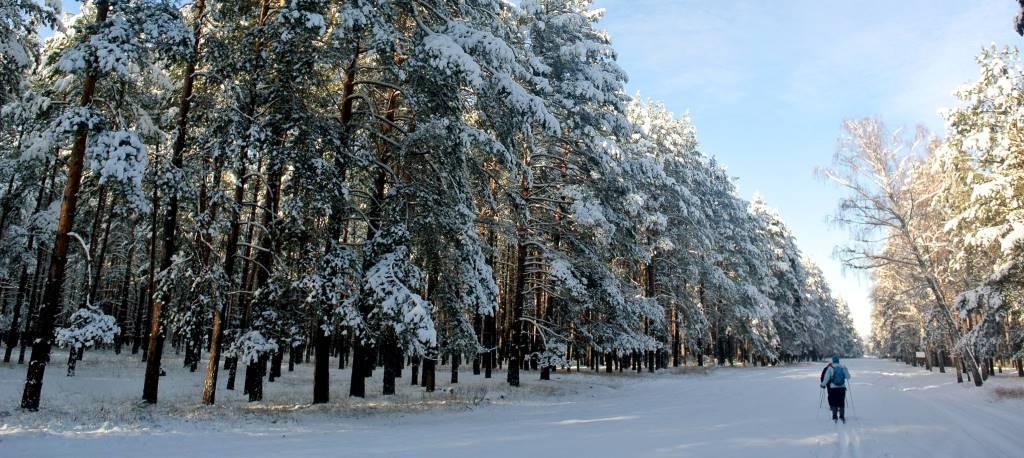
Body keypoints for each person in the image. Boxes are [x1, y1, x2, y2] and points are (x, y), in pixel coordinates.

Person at [820, 355, 850, 423]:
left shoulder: (830, 368)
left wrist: (822, 384)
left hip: (833, 388)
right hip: (842, 388)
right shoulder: (843, 367)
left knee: (834, 402)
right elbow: (848, 377)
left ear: (833, 360)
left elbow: (826, 378)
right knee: (842, 402)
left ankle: (834, 416)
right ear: (838, 360)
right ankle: (842, 416)